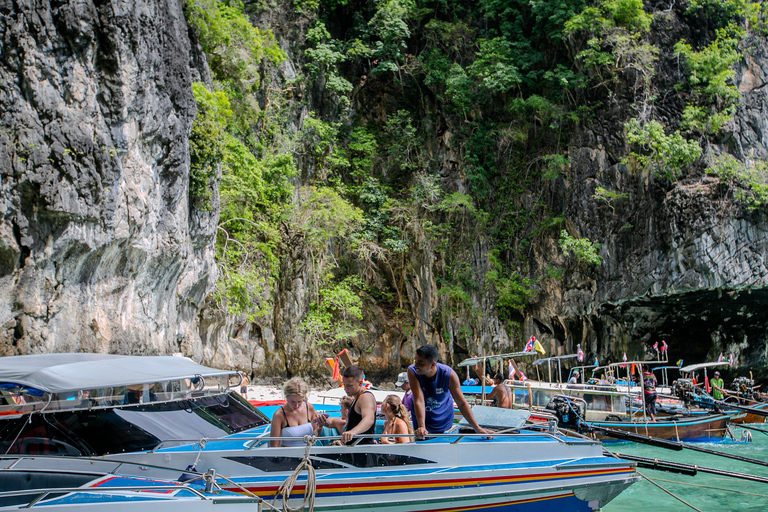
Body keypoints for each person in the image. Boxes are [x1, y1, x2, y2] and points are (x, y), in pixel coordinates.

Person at [408, 344, 493, 440]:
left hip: (444, 423)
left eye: (420, 363)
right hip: (423, 423)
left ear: (432, 364)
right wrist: (421, 427)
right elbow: (419, 400)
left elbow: (461, 403)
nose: (416, 366)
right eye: (415, 361)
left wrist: (477, 428)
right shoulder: (412, 371)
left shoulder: (448, 374)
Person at [269, 378, 326, 447]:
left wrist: (320, 426)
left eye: (299, 402)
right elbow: (274, 445)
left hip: (308, 454)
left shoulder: (309, 408)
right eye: (292, 401)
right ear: (286, 396)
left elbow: (315, 436)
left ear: (304, 397)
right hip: (287, 456)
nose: (296, 405)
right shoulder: (279, 415)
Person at [337, 365, 377, 444]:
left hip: (362, 451)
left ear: (360, 382)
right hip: (353, 450)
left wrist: (353, 432)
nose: (345, 388)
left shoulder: (365, 397)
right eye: (344, 385)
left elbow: (369, 419)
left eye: (349, 385)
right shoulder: (356, 398)